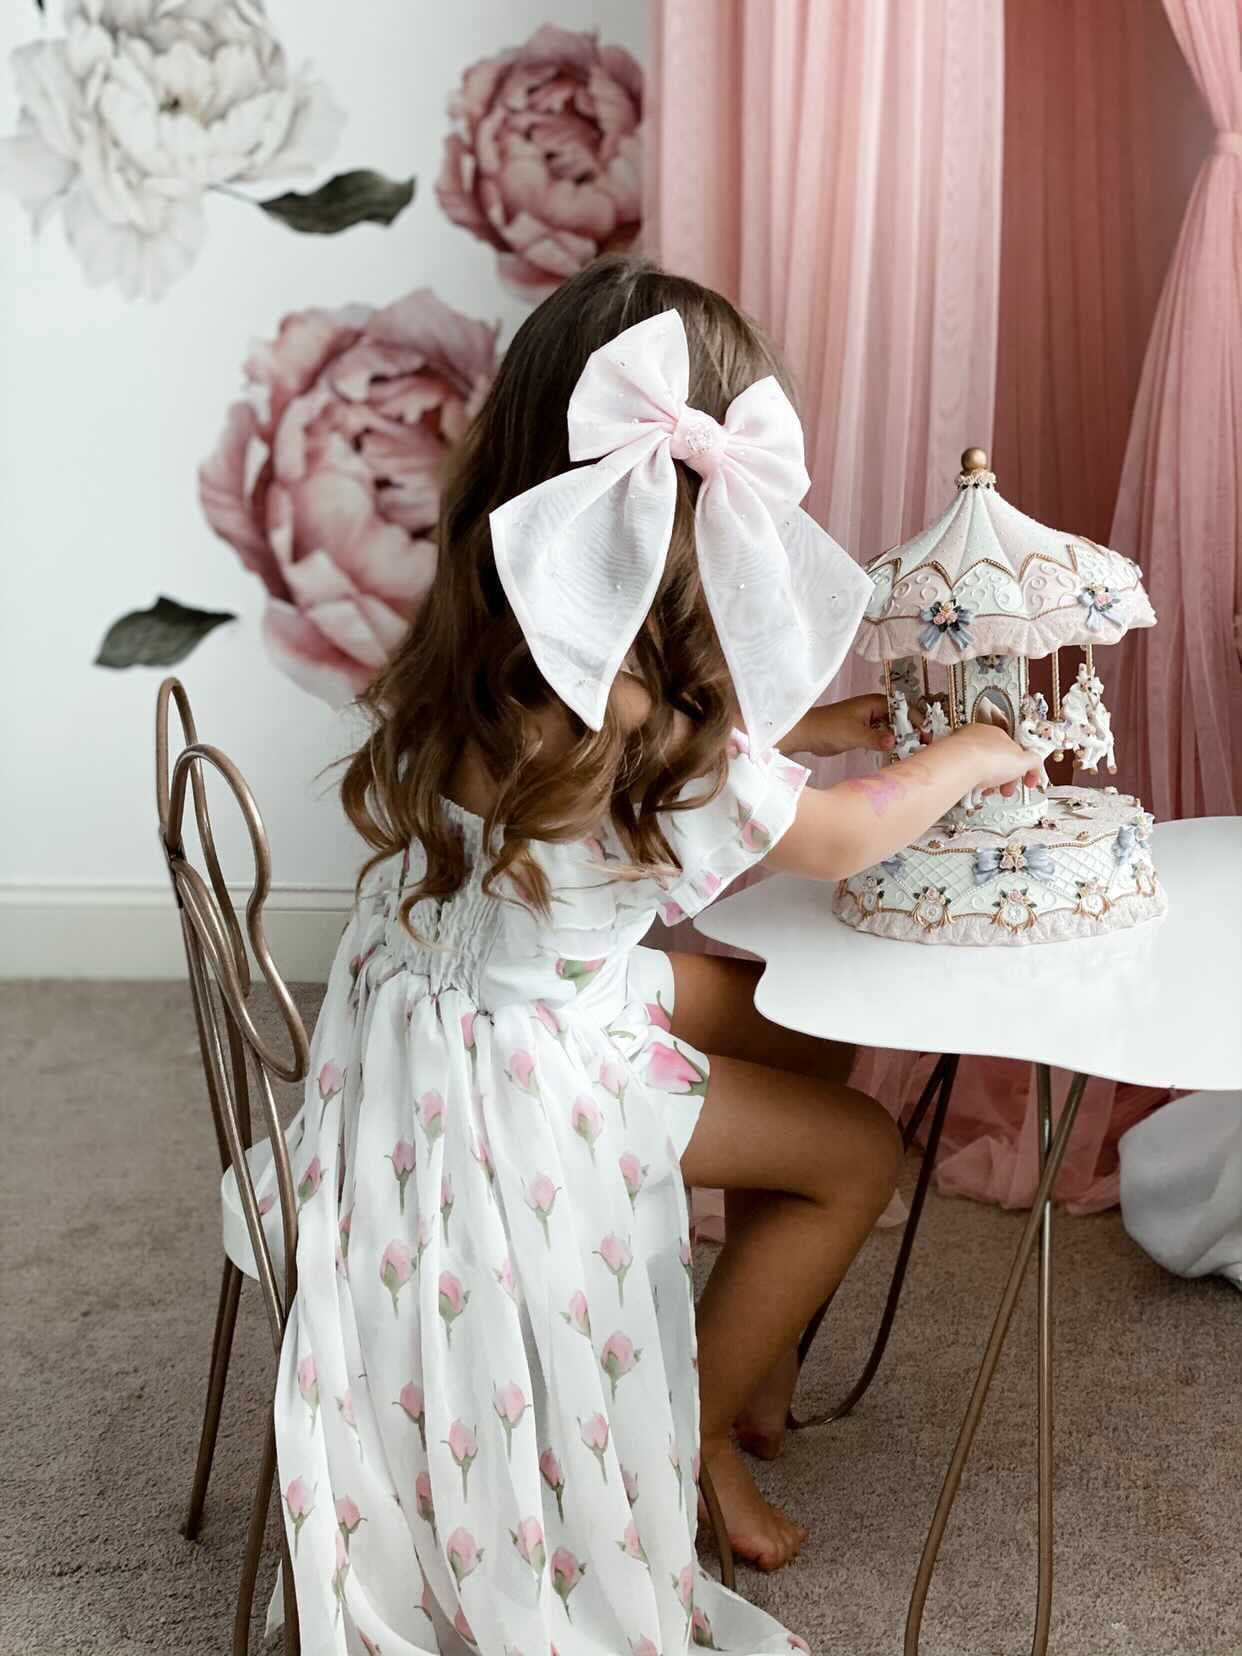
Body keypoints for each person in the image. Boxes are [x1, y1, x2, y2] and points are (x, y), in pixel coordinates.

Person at [260, 255, 1038, 1656]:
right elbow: (835, 843)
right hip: (526, 1079)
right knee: (857, 1150)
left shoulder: (503, 634)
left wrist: (806, 734)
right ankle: (691, 1431)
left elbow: (678, 772)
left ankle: (742, 1378)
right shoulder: (623, 712)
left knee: (786, 1020)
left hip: (465, 1000)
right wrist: (974, 752)